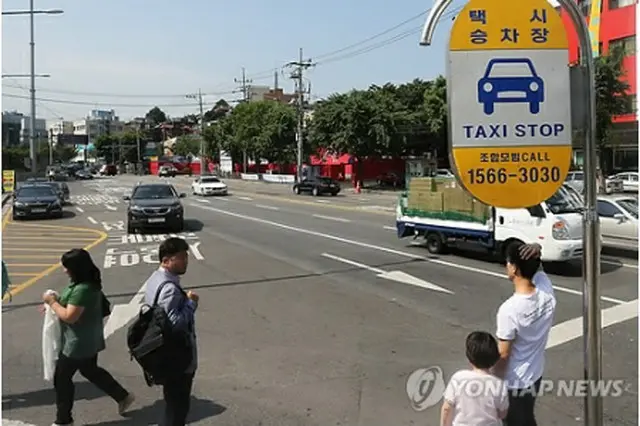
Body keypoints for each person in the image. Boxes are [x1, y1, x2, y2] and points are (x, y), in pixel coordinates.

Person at [43, 248, 134, 426]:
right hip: (88, 340)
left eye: (66, 266)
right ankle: (122, 396)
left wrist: (52, 302)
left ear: (76, 268)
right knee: (90, 370)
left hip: (76, 345)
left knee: (61, 380)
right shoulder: (85, 284)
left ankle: (63, 420)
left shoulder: (82, 289)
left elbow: (70, 316)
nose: (64, 270)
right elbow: (72, 306)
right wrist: (52, 308)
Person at [493, 242, 556, 426]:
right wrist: (537, 248)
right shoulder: (546, 291)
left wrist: (492, 384)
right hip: (535, 375)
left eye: (508, 262)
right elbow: (540, 270)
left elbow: (504, 354)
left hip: (514, 382)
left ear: (513, 268)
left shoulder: (509, 310)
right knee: (527, 417)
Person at [144, 237, 199, 426]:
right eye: (181, 257)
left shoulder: (155, 278)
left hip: (163, 353)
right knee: (177, 408)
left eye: (186, 256)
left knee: (173, 403)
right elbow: (175, 323)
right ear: (166, 261)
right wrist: (191, 303)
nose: (186, 261)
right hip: (176, 357)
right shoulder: (169, 288)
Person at [440, 331, 508, 426]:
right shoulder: (499, 385)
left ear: (469, 356)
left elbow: (447, 408)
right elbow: (502, 414)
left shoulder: (458, 378)